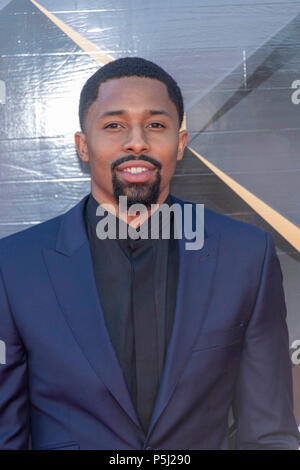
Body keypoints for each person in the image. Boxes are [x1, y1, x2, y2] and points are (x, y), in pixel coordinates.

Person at [0, 57, 299, 450]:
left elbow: (269, 433)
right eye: (114, 125)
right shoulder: (15, 265)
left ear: (180, 142)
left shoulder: (245, 257)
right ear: (83, 146)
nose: (137, 141)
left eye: (156, 125)